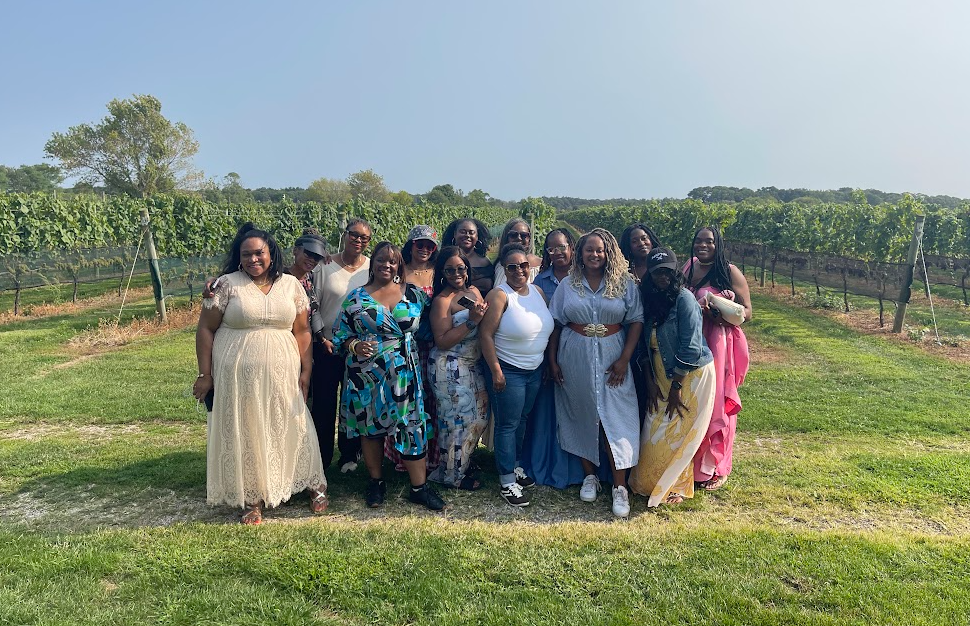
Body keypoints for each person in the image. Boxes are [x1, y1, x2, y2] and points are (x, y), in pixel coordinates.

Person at [193, 223, 328, 525]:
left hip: (283, 369)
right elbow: (205, 328)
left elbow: (302, 330)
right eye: (246, 255)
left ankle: (312, 482)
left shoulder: (291, 285)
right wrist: (205, 374)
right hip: (236, 376)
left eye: (259, 253)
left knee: (292, 421)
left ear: (271, 253)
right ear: (238, 258)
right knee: (248, 427)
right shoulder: (226, 284)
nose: (253, 260)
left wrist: (306, 370)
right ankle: (252, 497)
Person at [333, 241, 446, 511]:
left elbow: (442, 311)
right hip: (367, 374)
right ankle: (376, 483)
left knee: (411, 426)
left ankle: (419, 487)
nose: (387, 264)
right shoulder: (356, 297)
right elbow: (338, 336)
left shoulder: (415, 295)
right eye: (381, 260)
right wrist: (354, 346)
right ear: (372, 264)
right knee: (370, 429)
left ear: (399, 265)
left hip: (406, 372)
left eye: (392, 261)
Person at [546, 228, 643, 518]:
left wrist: (625, 358)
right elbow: (556, 323)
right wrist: (552, 361)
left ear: (609, 252)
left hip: (613, 354)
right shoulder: (568, 285)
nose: (595, 255)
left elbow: (636, 320)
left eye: (600, 250)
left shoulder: (624, 283)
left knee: (617, 417)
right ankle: (589, 476)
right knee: (581, 412)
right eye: (589, 250)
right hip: (574, 352)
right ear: (581, 253)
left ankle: (620, 486)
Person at [629, 248, 716, 507]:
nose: (662, 276)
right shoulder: (649, 299)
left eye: (667, 271)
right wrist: (650, 381)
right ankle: (655, 482)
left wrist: (676, 387)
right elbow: (643, 347)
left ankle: (677, 485)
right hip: (660, 373)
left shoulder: (684, 300)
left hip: (690, 375)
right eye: (657, 272)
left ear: (675, 271)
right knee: (654, 433)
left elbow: (690, 347)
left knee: (680, 432)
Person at [478, 243, 554, 507]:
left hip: (534, 369)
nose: (519, 271)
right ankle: (507, 479)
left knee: (521, 419)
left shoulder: (538, 292)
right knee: (507, 424)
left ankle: (516, 465)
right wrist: (496, 370)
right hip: (508, 370)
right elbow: (485, 335)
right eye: (513, 267)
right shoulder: (499, 295)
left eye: (524, 265)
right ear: (504, 269)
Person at [683, 225, 751, 491]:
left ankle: (718, 467)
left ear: (718, 244)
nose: (703, 246)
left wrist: (721, 313)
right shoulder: (689, 267)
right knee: (697, 399)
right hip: (693, 338)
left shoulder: (729, 271)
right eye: (699, 241)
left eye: (709, 242)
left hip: (720, 341)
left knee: (719, 401)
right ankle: (694, 463)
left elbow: (748, 312)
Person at [520, 228, 588, 489]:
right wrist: (549, 360)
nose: (557, 253)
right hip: (547, 354)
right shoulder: (539, 284)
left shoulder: (584, 278)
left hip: (578, 350)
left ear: (571, 247)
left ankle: (582, 469)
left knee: (577, 409)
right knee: (548, 412)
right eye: (551, 249)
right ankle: (545, 464)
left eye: (562, 247)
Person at [310, 218, 371, 473]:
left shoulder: (371, 268)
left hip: (357, 348)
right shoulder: (324, 266)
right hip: (327, 345)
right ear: (345, 235)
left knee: (354, 404)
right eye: (353, 235)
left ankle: (349, 454)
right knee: (324, 404)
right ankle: (321, 457)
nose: (358, 240)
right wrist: (320, 336)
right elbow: (312, 304)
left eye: (364, 238)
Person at [427, 246, 490, 490]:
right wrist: (472, 322)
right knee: (456, 422)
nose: (456, 273)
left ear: (467, 268)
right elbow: (441, 340)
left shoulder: (474, 290)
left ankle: (457, 464)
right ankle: (453, 475)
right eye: (450, 269)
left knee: (479, 417)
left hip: (473, 364)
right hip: (449, 366)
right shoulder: (441, 301)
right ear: (442, 272)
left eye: (461, 268)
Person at [384, 225, 442, 472]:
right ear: (411, 246)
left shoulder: (438, 273)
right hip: (404, 346)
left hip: (432, 345)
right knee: (404, 400)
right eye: (420, 244)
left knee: (430, 401)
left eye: (430, 246)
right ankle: (402, 455)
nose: (425, 250)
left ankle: (429, 455)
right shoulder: (400, 272)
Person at [619, 222, 663, 421]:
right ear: (628, 246)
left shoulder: (664, 268)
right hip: (632, 336)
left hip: (659, 335)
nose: (641, 243)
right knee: (638, 387)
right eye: (634, 241)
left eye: (644, 238)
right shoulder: (623, 273)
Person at [442, 218, 494, 293]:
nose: (467, 235)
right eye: (463, 232)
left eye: (471, 233)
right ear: (454, 234)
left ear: (477, 236)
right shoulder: (445, 259)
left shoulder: (486, 262)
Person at [492, 218, 542, 287]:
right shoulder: (499, 265)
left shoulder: (541, 266)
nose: (519, 238)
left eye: (524, 235)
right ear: (506, 238)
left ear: (529, 239)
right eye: (513, 235)